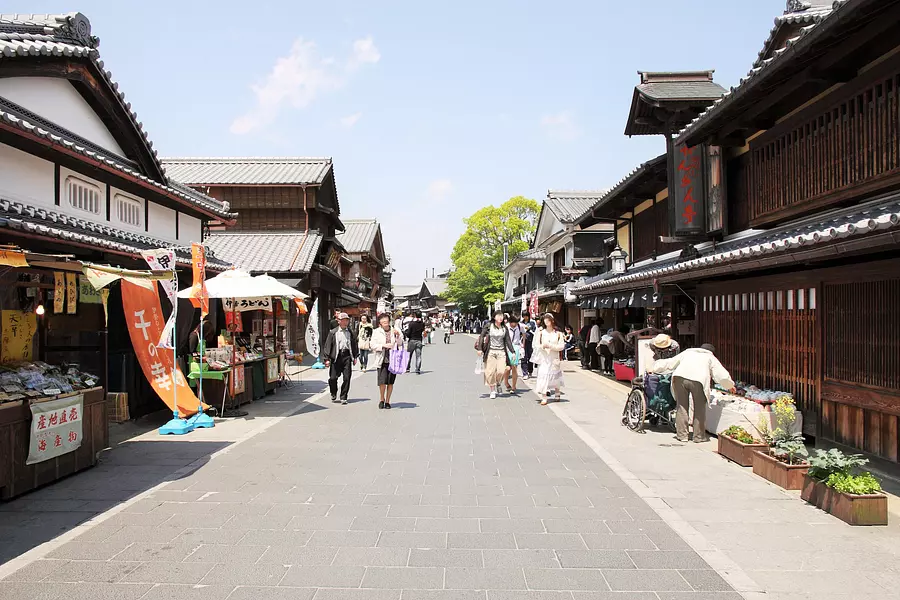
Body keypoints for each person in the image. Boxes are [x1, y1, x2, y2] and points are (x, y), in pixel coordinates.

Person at [651, 343, 735, 443]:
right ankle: (698, 437)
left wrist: (655, 367)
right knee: (699, 408)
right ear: (712, 352)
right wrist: (730, 385)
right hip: (698, 381)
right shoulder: (710, 357)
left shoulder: (688, 352)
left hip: (679, 378)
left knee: (681, 407)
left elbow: (670, 362)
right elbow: (720, 374)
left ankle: (682, 436)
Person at [322, 312, 359, 404]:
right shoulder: (333, 332)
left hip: (347, 356)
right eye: (343, 320)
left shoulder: (350, 332)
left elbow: (354, 344)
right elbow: (327, 346)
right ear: (338, 321)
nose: (345, 322)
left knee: (347, 377)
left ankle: (344, 396)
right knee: (333, 378)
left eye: (346, 320)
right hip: (336, 357)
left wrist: (355, 356)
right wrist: (326, 359)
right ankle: (333, 392)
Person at [477, 311, 515, 399]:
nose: (500, 318)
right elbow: (482, 336)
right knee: (490, 372)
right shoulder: (489, 326)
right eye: (498, 316)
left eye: (501, 316)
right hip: (491, 352)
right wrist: (479, 349)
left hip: (501, 352)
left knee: (501, 370)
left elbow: (508, 341)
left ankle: (498, 382)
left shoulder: (504, 328)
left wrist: (513, 352)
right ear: (494, 317)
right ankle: (492, 390)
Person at [531, 313, 566, 405]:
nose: (546, 322)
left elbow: (561, 346)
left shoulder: (558, 334)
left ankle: (557, 393)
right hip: (544, 358)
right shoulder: (541, 333)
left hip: (554, 358)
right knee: (543, 376)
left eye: (548, 320)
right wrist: (542, 346)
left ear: (552, 321)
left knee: (555, 376)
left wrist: (551, 346)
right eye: (545, 320)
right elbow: (536, 345)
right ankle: (544, 397)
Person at [371, 313, 403, 409]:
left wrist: (398, 336)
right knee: (382, 381)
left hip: (393, 358)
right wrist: (383, 346)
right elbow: (372, 345)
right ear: (380, 323)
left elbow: (400, 343)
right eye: (383, 322)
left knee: (390, 382)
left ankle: (388, 401)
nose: (385, 323)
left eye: (387, 321)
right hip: (382, 358)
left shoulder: (395, 330)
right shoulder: (376, 332)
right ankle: (382, 399)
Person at [504, 315, 525, 393]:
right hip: (507, 347)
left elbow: (524, 334)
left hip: (516, 347)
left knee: (514, 367)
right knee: (507, 367)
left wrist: (523, 344)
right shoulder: (505, 327)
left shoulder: (520, 326)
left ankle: (513, 386)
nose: (515, 324)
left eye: (516, 323)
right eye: (513, 323)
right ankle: (506, 382)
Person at [520, 312, 537, 380]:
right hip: (523, 341)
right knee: (523, 357)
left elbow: (535, 331)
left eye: (526, 316)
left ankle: (530, 371)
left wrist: (529, 329)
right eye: (524, 316)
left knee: (530, 357)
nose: (525, 317)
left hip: (530, 342)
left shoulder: (532, 323)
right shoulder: (521, 323)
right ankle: (525, 373)